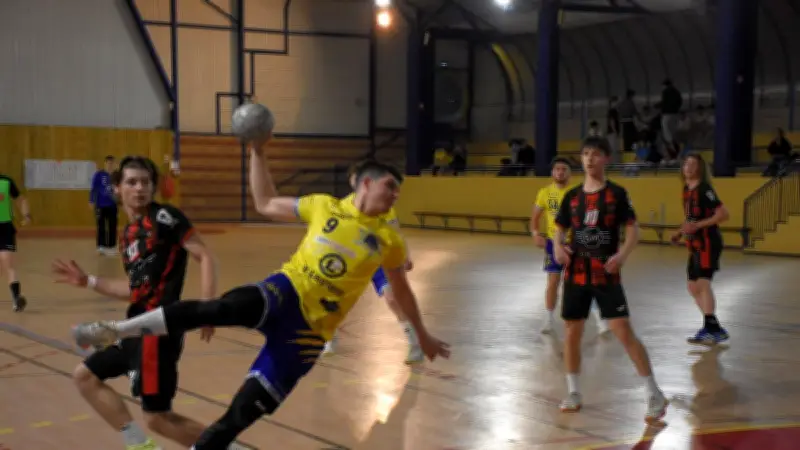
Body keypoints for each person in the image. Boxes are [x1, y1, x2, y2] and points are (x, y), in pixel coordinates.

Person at [69, 138, 451, 449]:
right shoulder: (324, 206)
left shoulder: (389, 240)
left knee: (237, 417)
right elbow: (265, 202)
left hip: (307, 334)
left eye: (398, 190)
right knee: (220, 308)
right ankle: (116, 330)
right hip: (284, 292)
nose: (395, 195)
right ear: (366, 183)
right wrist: (257, 151)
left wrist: (422, 333)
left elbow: (401, 291)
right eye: (390, 186)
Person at [53, 157, 224, 450]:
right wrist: (88, 281)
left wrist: (208, 309)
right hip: (134, 328)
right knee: (85, 377)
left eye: (145, 182)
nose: (140, 188)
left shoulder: (165, 218)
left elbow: (205, 256)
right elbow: (135, 290)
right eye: (132, 182)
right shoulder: (128, 235)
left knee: (158, 418)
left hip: (158, 332)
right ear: (117, 188)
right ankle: (141, 446)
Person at [552, 136, 668, 422]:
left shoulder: (616, 194)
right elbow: (559, 228)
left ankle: (654, 392)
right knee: (572, 331)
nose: (590, 159)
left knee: (622, 330)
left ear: (606, 158)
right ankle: (574, 391)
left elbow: (633, 230)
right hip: (576, 273)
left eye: (596, 154)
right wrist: (557, 247)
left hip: (606, 273)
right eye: (585, 154)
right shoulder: (572, 197)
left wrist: (622, 255)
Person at [323, 161, 423, 363]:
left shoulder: (384, 208)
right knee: (331, 298)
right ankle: (329, 337)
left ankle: (414, 342)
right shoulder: (342, 206)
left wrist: (406, 255)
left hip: (377, 260)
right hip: (350, 260)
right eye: (354, 178)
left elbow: (396, 233)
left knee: (392, 298)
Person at [531, 158, 607, 335]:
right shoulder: (544, 193)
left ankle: (599, 319)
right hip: (554, 243)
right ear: (552, 172)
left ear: (570, 173)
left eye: (564, 169)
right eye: (557, 169)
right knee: (553, 281)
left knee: (587, 280)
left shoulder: (579, 193)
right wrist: (535, 234)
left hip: (577, 243)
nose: (560, 172)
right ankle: (549, 319)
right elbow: (535, 217)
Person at [671, 153, 730, 345]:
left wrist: (698, 226)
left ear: (700, 168)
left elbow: (723, 214)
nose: (688, 167)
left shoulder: (705, 189)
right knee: (692, 286)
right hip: (694, 244)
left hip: (708, 242)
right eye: (686, 164)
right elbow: (690, 218)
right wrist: (680, 232)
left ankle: (710, 327)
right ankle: (713, 327)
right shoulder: (686, 190)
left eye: (693, 164)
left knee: (703, 284)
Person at [0, 173, 31, 312]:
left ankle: (17, 298)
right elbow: (21, 200)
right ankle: (16, 297)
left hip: (5, 228)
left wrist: (26, 215)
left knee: (7, 265)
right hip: (6, 228)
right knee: (8, 265)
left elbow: (21, 200)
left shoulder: (7, 181)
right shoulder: (7, 181)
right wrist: (26, 215)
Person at [91, 155, 119, 255]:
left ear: (114, 164)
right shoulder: (99, 174)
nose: (110, 165)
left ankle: (112, 246)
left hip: (112, 205)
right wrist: (91, 201)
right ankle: (101, 246)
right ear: (105, 163)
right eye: (108, 163)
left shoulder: (116, 176)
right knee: (101, 225)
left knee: (112, 225)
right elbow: (94, 188)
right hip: (100, 205)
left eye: (112, 163)